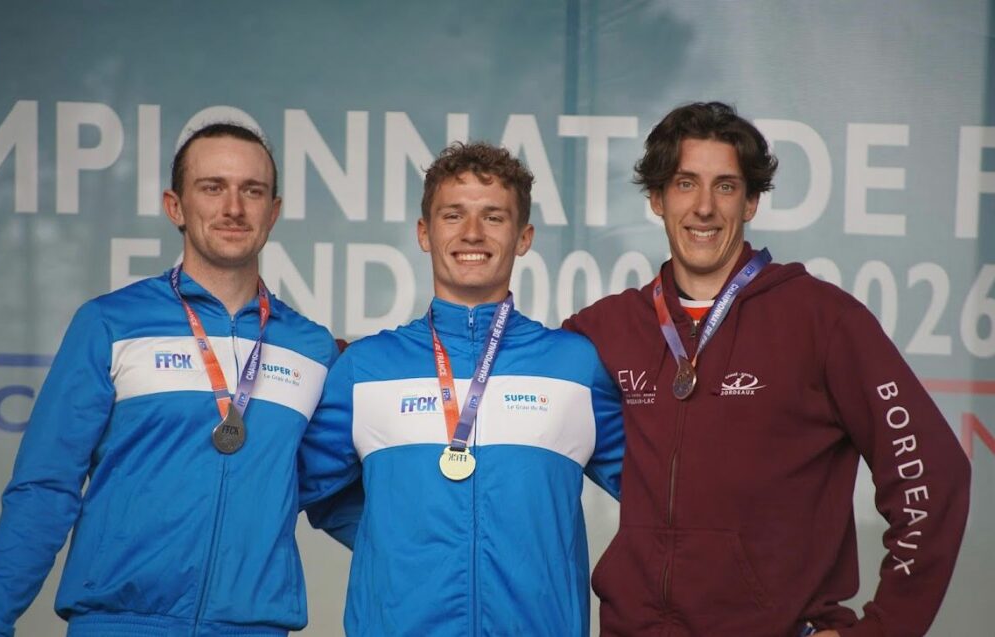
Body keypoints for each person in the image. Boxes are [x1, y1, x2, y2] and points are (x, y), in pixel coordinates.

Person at [564, 102, 971, 637]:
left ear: (752, 201)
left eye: (726, 187)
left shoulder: (822, 321)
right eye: (686, 184)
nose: (704, 207)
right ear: (657, 199)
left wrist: (885, 628)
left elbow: (933, 474)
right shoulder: (605, 330)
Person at [0, 123, 338, 636]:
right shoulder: (109, 324)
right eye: (212, 187)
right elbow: (46, 488)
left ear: (272, 212)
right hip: (118, 623)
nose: (234, 207)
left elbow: (329, 492)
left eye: (252, 191)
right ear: (176, 206)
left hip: (253, 627)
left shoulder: (312, 348)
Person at [300, 141, 625, 636]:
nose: (472, 233)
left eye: (494, 217)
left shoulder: (574, 365)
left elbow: (659, 496)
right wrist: (392, 542)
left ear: (523, 236)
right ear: (424, 233)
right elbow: (299, 488)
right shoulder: (366, 367)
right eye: (453, 216)